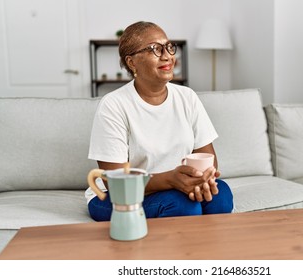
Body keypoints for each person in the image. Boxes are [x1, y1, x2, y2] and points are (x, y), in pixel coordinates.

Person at [86, 21, 233, 221]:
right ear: (131, 62)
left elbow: (208, 159)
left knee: (221, 196)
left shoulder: (187, 97)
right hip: (118, 196)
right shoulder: (114, 105)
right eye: (155, 49)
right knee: (181, 205)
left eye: (168, 47)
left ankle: (205, 250)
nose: (167, 55)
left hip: (177, 188)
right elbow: (116, 181)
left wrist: (201, 180)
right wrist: (171, 180)